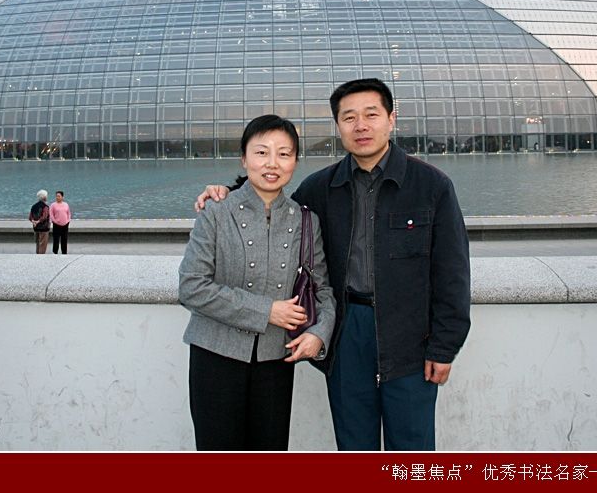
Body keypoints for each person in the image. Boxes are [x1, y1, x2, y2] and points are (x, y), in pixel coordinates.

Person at [195, 79, 471, 451]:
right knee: (354, 446)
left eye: (371, 115)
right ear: (338, 125)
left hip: (409, 337)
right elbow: (272, 204)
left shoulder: (431, 186)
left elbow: (452, 273)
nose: (361, 126)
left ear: (391, 119)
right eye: (349, 117)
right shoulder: (320, 188)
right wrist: (227, 193)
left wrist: (444, 346)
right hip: (347, 331)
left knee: (412, 449)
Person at [179, 114, 336, 451]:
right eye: (262, 152)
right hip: (215, 356)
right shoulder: (216, 211)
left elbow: (322, 289)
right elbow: (192, 287)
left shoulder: (306, 220)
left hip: (276, 360)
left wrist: (319, 333)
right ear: (244, 158)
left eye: (284, 153)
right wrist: (267, 311)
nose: (272, 163)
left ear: (295, 161)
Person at [28, 189, 51, 254]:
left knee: (37, 244)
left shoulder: (33, 206)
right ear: (44, 197)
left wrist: (34, 222)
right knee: (43, 245)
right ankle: (41, 258)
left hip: (36, 228)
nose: (47, 197)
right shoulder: (45, 207)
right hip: (44, 228)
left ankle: (37, 256)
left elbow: (30, 217)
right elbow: (45, 216)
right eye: (46, 196)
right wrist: (38, 221)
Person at [50, 190, 71, 254]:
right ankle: (55, 253)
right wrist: (55, 221)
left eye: (59, 196)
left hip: (65, 225)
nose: (57, 197)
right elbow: (51, 214)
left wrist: (68, 221)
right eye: (56, 196)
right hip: (56, 225)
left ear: (62, 197)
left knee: (64, 240)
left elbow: (69, 213)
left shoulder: (66, 204)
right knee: (56, 240)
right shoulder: (53, 205)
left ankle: (64, 253)